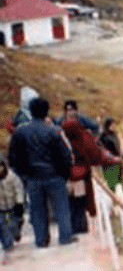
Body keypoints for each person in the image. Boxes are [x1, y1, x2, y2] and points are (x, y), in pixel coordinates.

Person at [8, 97, 76, 247]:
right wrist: (64, 175)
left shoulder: (20, 132)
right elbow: (64, 155)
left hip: (32, 177)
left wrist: (24, 174)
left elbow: (13, 157)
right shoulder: (54, 131)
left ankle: (41, 240)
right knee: (61, 207)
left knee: (37, 210)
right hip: (54, 175)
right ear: (47, 111)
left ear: (30, 111)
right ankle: (65, 236)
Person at [62, 115, 121, 234]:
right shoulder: (84, 138)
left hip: (64, 176)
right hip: (80, 176)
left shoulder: (61, 139)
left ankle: (70, 226)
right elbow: (97, 153)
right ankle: (79, 227)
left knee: (69, 202)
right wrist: (113, 159)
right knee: (79, 201)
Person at [98, 117, 123, 206]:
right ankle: (115, 207)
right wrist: (112, 158)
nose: (114, 126)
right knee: (112, 187)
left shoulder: (116, 135)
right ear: (108, 125)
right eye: (112, 124)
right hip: (109, 165)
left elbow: (118, 151)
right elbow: (103, 151)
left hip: (118, 163)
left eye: (114, 124)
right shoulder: (103, 137)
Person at [0, 152, 24, 257]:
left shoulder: (12, 176)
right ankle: (7, 244)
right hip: (1, 206)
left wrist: (19, 202)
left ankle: (16, 232)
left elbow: (19, 189)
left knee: (14, 223)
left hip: (13, 204)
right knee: (2, 225)